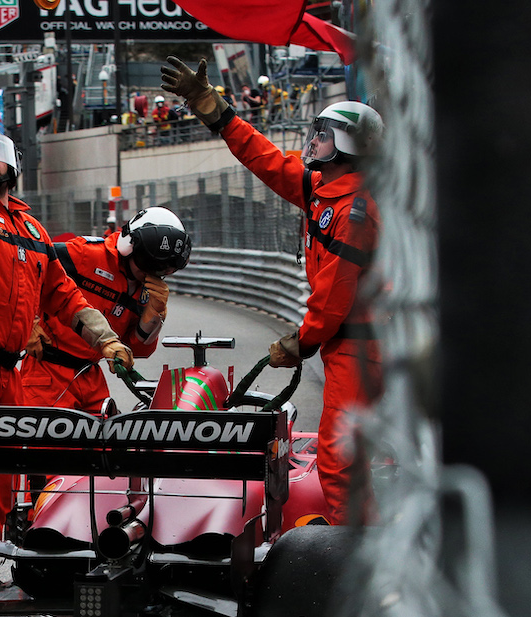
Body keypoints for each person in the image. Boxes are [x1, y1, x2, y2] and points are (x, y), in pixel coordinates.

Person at [162, 57, 384, 525]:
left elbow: (334, 294)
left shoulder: (355, 210)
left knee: (341, 460)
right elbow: (263, 158)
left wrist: (300, 343)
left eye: (323, 134)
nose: (314, 140)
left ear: (345, 144)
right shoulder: (325, 189)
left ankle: (349, 557)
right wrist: (214, 109)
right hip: (358, 345)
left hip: (364, 347)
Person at [0, 80, 133, 537]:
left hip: (7, 368)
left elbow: (64, 293)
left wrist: (107, 339)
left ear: (13, 166)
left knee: (4, 478)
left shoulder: (31, 228)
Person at [20, 207, 190, 413]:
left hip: (90, 377)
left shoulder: (151, 292)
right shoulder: (86, 254)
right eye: (149, 263)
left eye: (163, 269)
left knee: (105, 441)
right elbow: (25, 268)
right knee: (49, 443)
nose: (151, 273)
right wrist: (27, 321)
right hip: (46, 373)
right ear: (130, 246)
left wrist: (154, 317)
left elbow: (136, 350)